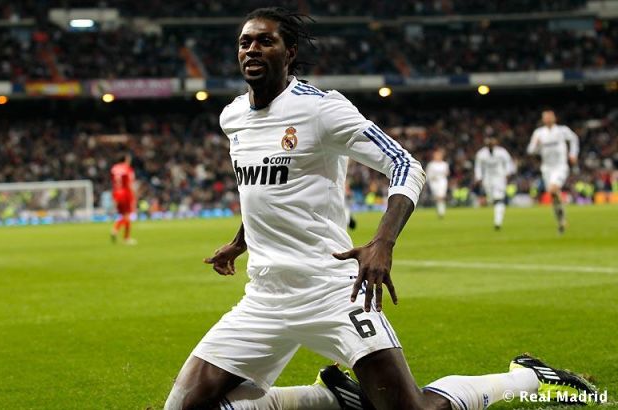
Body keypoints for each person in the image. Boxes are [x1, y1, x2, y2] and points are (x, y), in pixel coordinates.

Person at [164, 8, 597, 410]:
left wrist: (382, 242)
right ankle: (332, 398)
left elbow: (405, 165)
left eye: (265, 41)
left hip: (330, 289)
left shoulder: (321, 110)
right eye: (245, 42)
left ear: (289, 52)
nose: (252, 50)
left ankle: (526, 378)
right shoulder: (233, 117)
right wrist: (240, 241)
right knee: (181, 406)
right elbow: (261, 188)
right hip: (265, 296)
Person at [527, 110, 580, 234]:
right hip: (547, 168)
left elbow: (574, 139)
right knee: (553, 195)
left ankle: (562, 217)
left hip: (560, 166)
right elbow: (530, 150)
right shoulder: (539, 133)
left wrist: (573, 154)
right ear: (543, 120)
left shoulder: (562, 130)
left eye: (550, 116)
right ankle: (561, 221)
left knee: (553, 189)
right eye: (546, 117)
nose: (548, 119)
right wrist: (536, 145)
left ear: (555, 118)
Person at [474, 137, 514, 230]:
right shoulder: (481, 153)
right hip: (487, 179)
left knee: (498, 198)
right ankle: (497, 215)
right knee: (492, 199)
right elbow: (478, 166)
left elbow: (508, 162)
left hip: (499, 177)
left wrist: (508, 173)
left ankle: (498, 222)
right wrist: (478, 177)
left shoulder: (502, 152)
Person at [110, 153, 136, 245]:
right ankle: (124, 236)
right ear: (125, 159)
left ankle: (119, 232)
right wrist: (134, 194)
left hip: (116, 193)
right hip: (126, 193)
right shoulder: (128, 168)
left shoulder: (114, 168)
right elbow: (130, 183)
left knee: (123, 215)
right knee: (127, 216)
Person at [425, 150, 450, 219]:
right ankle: (439, 210)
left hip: (442, 181)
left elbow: (447, 173)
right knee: (437, 197)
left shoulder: (444, 164)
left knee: (441, 196)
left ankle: (441, 212)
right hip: (434, 182)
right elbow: (428, 174)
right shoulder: (431, 164)